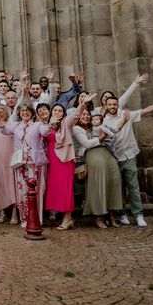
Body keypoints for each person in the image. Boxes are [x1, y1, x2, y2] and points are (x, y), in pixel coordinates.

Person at [104, 95, 153, 227]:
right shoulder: (104, 121)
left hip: (129, 155)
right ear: (106, 106)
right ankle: (122, 213)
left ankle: (138, 215)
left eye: (114, 104)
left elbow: (146, 111)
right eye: (110, 104)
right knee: (118, 188)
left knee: (133, 186)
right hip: (114, 157)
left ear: (117, 105)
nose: (112, 107)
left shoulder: (127, 115)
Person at [42, 95, 94, 230]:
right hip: (52, 161)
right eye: (55, 111)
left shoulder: (67, 122)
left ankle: (68, 218)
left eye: (60, 111)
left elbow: (76, 115)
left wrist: (82, 104)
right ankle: (61, 215)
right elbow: (44, 135)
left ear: (64, 113)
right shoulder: (47, 126)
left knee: (66, 189)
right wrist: (50, 123)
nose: (57, 112)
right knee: (55, 188)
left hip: (64, 160)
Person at [73, 109, 125, 229]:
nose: (86, 116)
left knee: (114, 179)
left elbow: (114, 130)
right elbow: (86, 143)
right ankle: (98, 215)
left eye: (87, 114)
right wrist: (102, 137)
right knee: (98, 183)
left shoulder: (96, 125)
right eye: (83, 114)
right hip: (92, 153)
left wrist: (124, 120)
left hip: (106, 153)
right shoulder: (77, 129)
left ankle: (111, 214)